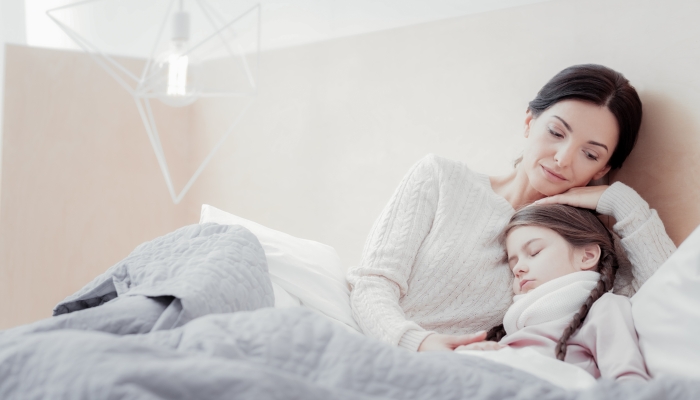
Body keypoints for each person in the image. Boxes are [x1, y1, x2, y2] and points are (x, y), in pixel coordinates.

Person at [346, 64, 677, 352]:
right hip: (362, 339)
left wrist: (625, 204)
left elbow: (664, 305)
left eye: (590, 154)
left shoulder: (581, 249)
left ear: (603, 170)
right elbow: (372, 282)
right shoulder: (440, 177)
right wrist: (415, 342)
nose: (562, 158)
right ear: (529, 122)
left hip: (448, 379)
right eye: (556, 132)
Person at [459, 204, 649, 381]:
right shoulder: (515, 328)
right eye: (512, 264)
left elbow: (628, 380)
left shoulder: (604, 308)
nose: (518, 269)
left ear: (587, 255)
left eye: (534, 252)